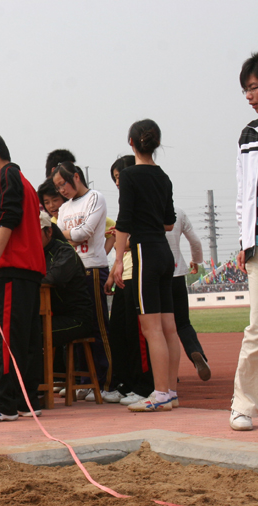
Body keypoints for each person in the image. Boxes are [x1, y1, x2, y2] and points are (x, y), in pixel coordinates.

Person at [0, 130, 46, 423]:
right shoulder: (25, 182)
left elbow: (9, 218)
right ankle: (26, 400)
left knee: (5, 338)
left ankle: (3, 403)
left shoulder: (5, 177)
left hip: (15, 267)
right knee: (26, 339)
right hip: (30, 270)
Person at [110, 119, 179, 413]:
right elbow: (169, 222)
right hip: (164, 253)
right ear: (156, 143)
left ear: (131, 143)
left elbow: (124, 221)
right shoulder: (163, 176)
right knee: (169, 328)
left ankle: (160, 392)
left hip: (144, 253)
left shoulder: (128, 176)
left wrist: (117, 260)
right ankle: (170, 390)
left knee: (151, 329)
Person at [52, 161, 115, 397]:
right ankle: (83, 380)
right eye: (57, 187)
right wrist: (68, 235)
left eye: (63, 184)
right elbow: (60, 239)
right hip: (72, 274)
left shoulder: (95, 198)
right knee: (77, 329)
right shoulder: (65, 208)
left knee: (99, 327)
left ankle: (105, 382)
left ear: (76, 177)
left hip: (93, 269)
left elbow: (83, 233)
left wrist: (64, 234)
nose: (61, 190)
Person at [104, 155, 154, 406]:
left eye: (119, 178)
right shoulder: (126, 204)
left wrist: (125, 239)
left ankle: (144, 386)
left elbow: (150, 234)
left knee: (138, 335)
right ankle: (125, 383)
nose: (117, 183)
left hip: (139, 273)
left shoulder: (143, 201)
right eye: (114, 179)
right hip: (124, 274)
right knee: (121, 333)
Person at [232, 53, 258, 431]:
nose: (250, 95)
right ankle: (243, 404)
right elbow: (243, 193)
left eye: (254, 87)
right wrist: (243, 239)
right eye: (247, 89)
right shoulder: (249, 136)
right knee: (257, 328)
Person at [39, 211, 94, 368]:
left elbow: (52, 279)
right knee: (18, 328)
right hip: (52, 317)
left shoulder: (65, 251)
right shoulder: (35, 253)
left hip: (76, 319)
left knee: (31, 333)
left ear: (49, 231)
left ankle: (36, 384)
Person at [166, 208, 210, 381]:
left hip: (158, 277)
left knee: (162, 328)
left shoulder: (147, 210)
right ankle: (196, 352)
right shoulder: (178, 212)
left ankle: (168, 372)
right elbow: (195, 241)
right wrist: (196, 261)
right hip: (178, 274)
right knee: (183, 323)